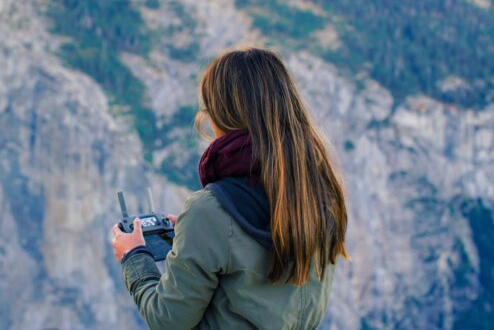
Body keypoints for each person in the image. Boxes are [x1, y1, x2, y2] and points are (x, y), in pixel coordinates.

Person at [111, 47, 348, 329]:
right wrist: (193, 240)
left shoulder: (210, 211)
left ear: (221, 115)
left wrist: (134, 257)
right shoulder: (320, 199)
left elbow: (167, 319)